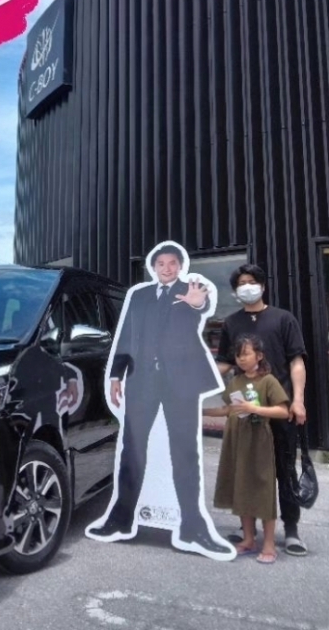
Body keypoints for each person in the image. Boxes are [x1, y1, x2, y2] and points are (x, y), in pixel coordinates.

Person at [86, 242, 232, 557]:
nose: (167, 268)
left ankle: (193, 527)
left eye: (172, 263)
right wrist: (116, 375)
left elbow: (202, 306)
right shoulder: (138, 296)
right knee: (132, 449)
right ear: (153, 268)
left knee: (185, 452)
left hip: (181, 382)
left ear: (180, 266)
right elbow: (126, 336)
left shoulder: (192, 289)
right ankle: (120, 520)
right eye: (161, 264)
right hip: (141, 380)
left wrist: (197, 304)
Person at [216, 264, 308, 556]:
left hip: (279, 407)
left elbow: (296, 361)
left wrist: (298, 400)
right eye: (241, 283)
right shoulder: (231, 323)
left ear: (263, 286)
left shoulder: (283, 318)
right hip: (246, 414)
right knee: (247, 470)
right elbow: (224, 363)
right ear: (235, 291)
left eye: (252, 281)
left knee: (284, 470)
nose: (247, 287)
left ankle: (291, 529)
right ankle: (248, 531)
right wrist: (195, 382)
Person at [204, 335, 289, 564]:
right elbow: (228, 409)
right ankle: (249, 539)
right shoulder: (235, 381)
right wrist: (200, 412)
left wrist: (255, 409)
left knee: (263, 488)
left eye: (246, 354)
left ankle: (269, 544)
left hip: (259, 440)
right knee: (240, 485)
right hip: (236, 439)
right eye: (238, 355)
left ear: (259, 356)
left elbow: (283, 411)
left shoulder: (268, 380)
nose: (241, 359)